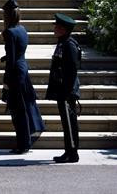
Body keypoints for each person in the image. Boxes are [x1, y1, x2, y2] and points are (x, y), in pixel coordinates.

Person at [1, 0, 45, 153]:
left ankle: (23, 144)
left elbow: (11, 61)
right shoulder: (22, 30)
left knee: (18, 110)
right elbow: (18, 52)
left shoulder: (9, 32)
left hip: (15, 74)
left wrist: (6, 82)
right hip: (23, 70)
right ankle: (25, 141)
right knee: (23, 107)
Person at [46, 12, 81, 164]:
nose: (54, 28)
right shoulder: (63, 42)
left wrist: (67, 92)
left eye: (57, 26)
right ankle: (68, 150)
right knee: (66, 122)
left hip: (67, 92)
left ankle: (73, 152)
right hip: (62, 90)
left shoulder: (69, 45)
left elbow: (72, 70)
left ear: (64, 29)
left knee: (70, 122)